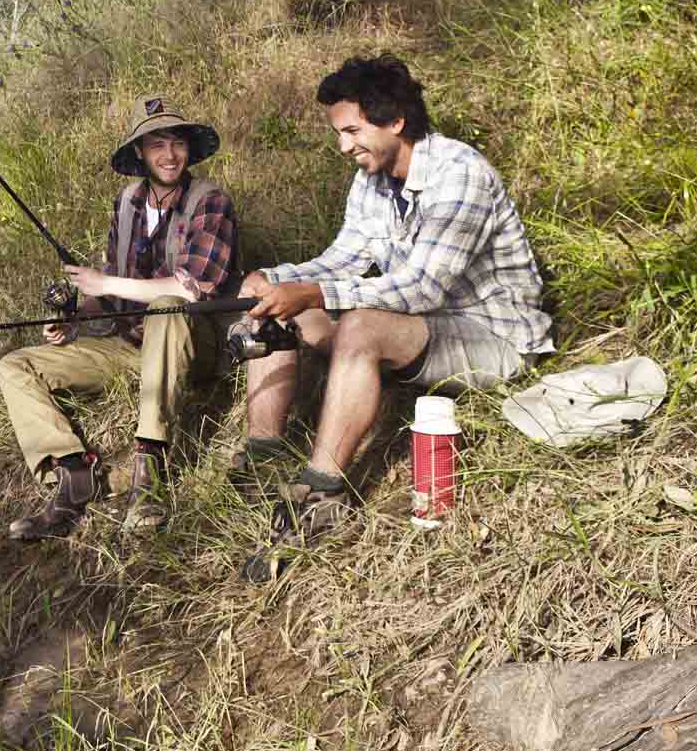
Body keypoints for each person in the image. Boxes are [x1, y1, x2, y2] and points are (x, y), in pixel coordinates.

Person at [235, 54, 551, 582]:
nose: (344, 146)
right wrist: (275, 278)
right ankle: (264, 452)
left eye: (353, 131)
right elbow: (343, 258)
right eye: (340, 133)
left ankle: (322, 493)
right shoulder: (373, 179)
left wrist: (313, 292)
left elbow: (422, 288)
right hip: (421, 331)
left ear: (396, 122)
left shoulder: (459, 173)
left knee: (357, 323)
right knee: (279, 303)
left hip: (493, 336)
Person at [0, 97, 239, 541]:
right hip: (131, 349)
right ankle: (71, 475)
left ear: (190, 150)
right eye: (157, 145)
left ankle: (149, 470)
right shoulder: (126, 204)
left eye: (178, 143)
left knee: (168, 306)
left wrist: (103, 284)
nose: (169, 155)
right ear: (140, 153)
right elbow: (119, 291)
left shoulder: (211, 202)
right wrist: (79, 315)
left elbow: (189, 288)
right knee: (14, 366)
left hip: (195, 350)